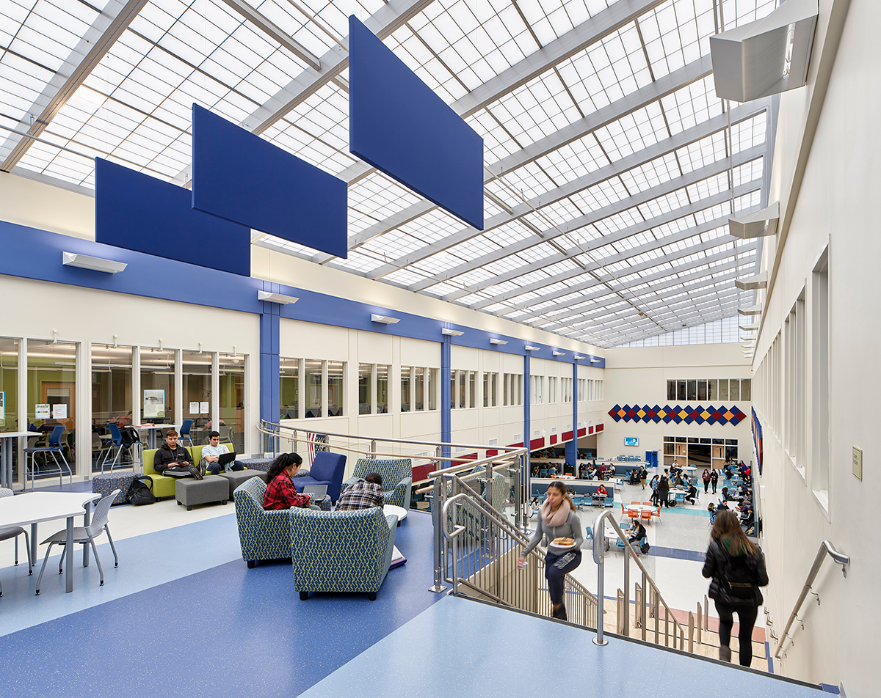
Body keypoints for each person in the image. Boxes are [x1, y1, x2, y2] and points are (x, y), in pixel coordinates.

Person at [701, 510, 769, 666]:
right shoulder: (754, 550)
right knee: (745, 638)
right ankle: (744, 671)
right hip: (748, 601)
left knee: (725, 622)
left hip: (723, 597)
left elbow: (706, 573)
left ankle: (725, 659)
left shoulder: (715, 547)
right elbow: (763, 581)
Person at [518, 481, 583, 621]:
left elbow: (579, 538)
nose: (551, 498)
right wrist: (523, 554)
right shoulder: (543, 514)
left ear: (563, 496)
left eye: (555, 494)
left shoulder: (571, 517)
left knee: (553, 572)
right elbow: (537, 536)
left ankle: (558, 611)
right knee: (551, 577)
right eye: (549, 494)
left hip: (571, 553)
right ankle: (559, 613)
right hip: (552, 554)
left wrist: (571, 545)